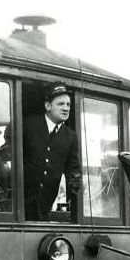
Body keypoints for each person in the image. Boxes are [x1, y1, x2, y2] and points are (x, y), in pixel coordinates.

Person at [21, 82, 82, 221]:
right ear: (47, 106)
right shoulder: (28, 126)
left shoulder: (70, 136)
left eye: (68, 104)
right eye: (60, 104)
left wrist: (75, 196)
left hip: (45, 206)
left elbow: (74, 171)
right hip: (20, 201)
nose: (66, 108)